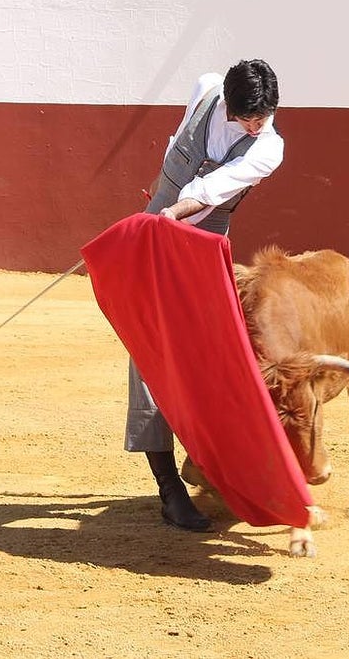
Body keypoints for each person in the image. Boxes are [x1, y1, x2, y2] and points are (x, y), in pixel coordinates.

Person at [128, 60, 283, 531]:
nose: (256, 126)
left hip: (199, 250)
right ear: (228, 106)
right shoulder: (207, 88)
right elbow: (178, 148)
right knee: (148, 357)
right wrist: (155, 207)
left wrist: (168, 214)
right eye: (246, 118)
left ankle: (223, 465)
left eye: (263, 117)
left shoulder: (270, 148)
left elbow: (209, 190)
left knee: (220, 357)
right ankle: (169, 488)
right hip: (154, 240)